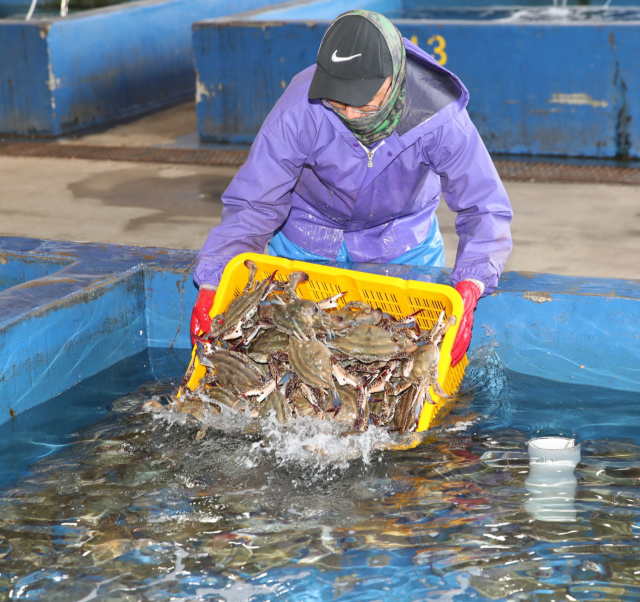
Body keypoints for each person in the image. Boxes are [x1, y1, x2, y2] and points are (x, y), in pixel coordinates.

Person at [190, 9, 513, 366]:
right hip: (306, 238)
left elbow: (483, 206)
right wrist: (213, 280)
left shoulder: (439, 116)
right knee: (290, 357)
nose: (349, 113)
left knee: (412, 355)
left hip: (401, 242)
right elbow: (254, 202)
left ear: (393, 79)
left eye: (361, 100)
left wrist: (472, 283)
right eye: (337, 100)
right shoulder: (301, 107)